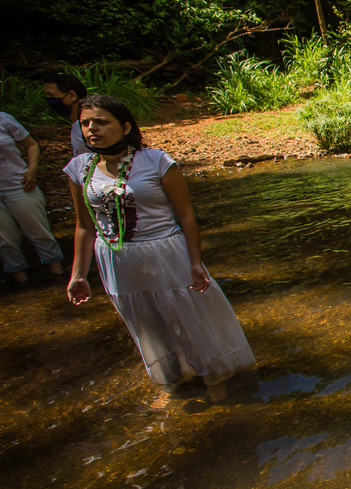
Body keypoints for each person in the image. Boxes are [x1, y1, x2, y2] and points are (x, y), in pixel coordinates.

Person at [64, 95, 255, 394]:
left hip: (165, 251)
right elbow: (84, 226)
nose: (92, 129)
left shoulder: (156, 161)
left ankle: (215, 378)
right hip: (115, 260)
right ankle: (173, 381)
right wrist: (78, 274)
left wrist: (195, 262)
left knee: (189, 316)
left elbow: (186, 215)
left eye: (101, 122)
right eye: (85, 123)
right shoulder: (79, 168)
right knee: (145, 324)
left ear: (125, 127)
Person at [0, 112, 65, 285]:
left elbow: (31, 145)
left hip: (20, 183)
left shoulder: (4, 119)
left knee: (39, 231)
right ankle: (22, 283)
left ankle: (58, 273)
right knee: (5, 240)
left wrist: (32, 170)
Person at [42, 73, 89, 157]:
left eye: (51, 95)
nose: (49, 99)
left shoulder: (88, 126)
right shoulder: (77, 123)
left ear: (72, 96)